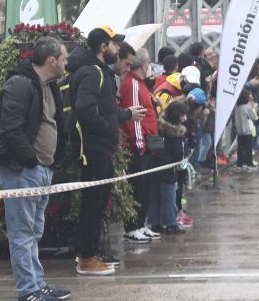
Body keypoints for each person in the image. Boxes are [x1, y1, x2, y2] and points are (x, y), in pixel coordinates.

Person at [0, 36, 71, 301]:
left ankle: (37, 284)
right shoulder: (21, 83)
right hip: (21, 170)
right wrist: (31, 161)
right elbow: (11, 129)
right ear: (51, 60)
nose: (66, 63)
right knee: (22, 233)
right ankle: (27, 292)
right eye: (63, 58)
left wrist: (50, 163)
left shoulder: (49, 86)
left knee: (34, 232)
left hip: (41, 170)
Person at [67, 26, 146, 276]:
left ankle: (91, 251)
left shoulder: (99, 71)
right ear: (103, 47)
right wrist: (109, 127)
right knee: (92, 203)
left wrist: (118, 118)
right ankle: (86, 257)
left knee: (99, 201)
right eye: (114, 44)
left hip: (100, 146)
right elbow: (87, 111)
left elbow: (104, 110)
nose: (117, 49)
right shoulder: (92, 73)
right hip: (93, 147)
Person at [119, 47, 161, 245]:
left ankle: (140, 223)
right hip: (140, 145)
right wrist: (139, 145)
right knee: (137, 187)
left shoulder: (139, 84)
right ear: (144, 65)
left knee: (145, 188)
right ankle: (132, 226)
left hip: (146, 142)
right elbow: (135, 117)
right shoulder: (132, 85)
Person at [150, 98, 188, 235]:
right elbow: (178, 155)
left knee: (155, 196)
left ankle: (155, 223)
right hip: (168, 169)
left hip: (154, 165)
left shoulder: (158, 127)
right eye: (183, 114)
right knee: (168, 196)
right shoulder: (176, 133)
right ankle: (171, 223)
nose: (185, 117)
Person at [233, 89, 259, 171]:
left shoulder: (236, 107)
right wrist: (253, 108)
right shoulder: (247, 107)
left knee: (240, 148)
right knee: (248, 148)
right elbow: (254, 117)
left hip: (239, 130)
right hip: (247, 130)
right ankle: (249, 164)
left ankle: (239, 165)